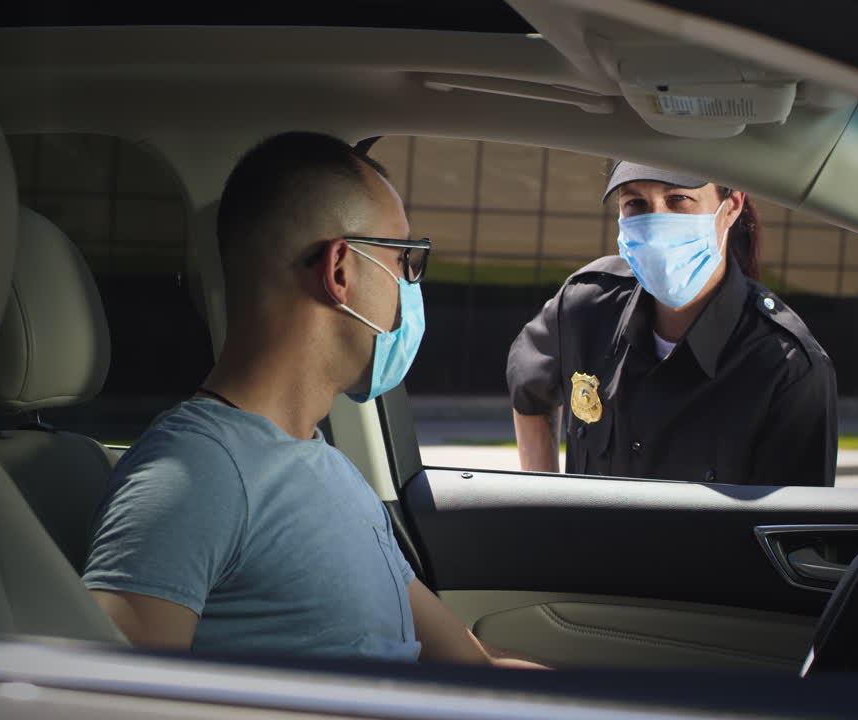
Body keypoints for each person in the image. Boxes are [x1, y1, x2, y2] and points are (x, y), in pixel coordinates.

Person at [84, 131, 541, 668]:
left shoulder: (327, 466)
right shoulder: (193, 476)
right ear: (341, 270)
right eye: (403, 261)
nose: (409, 287)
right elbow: (117, 698)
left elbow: (473, 666)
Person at [507, 161, 837, 486]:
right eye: (636, 203)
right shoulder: (587, 306)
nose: (655, 223)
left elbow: (796, 528)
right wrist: (547, 506)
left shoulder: (787, 366)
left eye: (678, 199)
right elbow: (528, 385)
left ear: (731, 206)